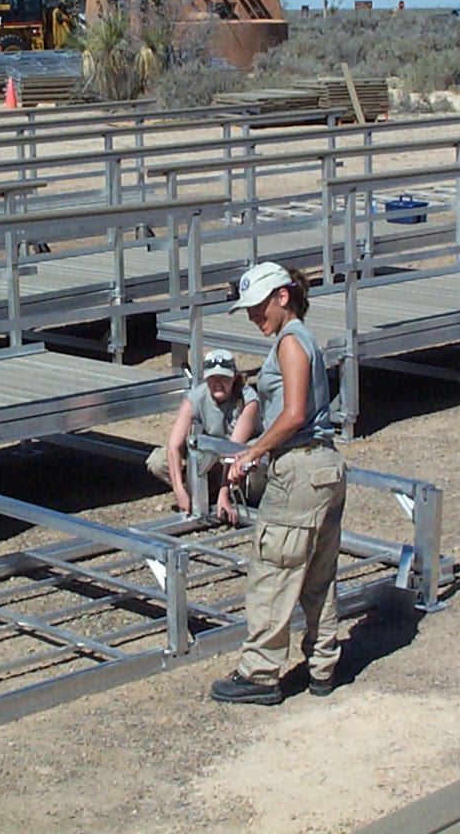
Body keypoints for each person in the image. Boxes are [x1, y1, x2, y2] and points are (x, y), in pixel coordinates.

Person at [210, 262, 346, 705]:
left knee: (274, 571)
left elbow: (293, 414)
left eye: (257, 305)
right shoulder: (301, 339)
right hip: (324, 467)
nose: (253, 315)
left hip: (299, 470)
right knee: (318, 576)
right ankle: (322, 666)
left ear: (282, 297)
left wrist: (253, 451)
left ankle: (260, 674)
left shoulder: (290, 342)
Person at [148, 350, 259, 524]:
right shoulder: (195, 398)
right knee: (158, 461)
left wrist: (224, 494)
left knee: (252, 467)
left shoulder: (248, 401)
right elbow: (173, 446)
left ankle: (232, 494)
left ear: (234, 378)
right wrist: (179, 490)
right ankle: (202, 493)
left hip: (237, 456)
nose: (218, 383)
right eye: (213, 378)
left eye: (224, 378)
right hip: (213, 456)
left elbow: (233, 450)